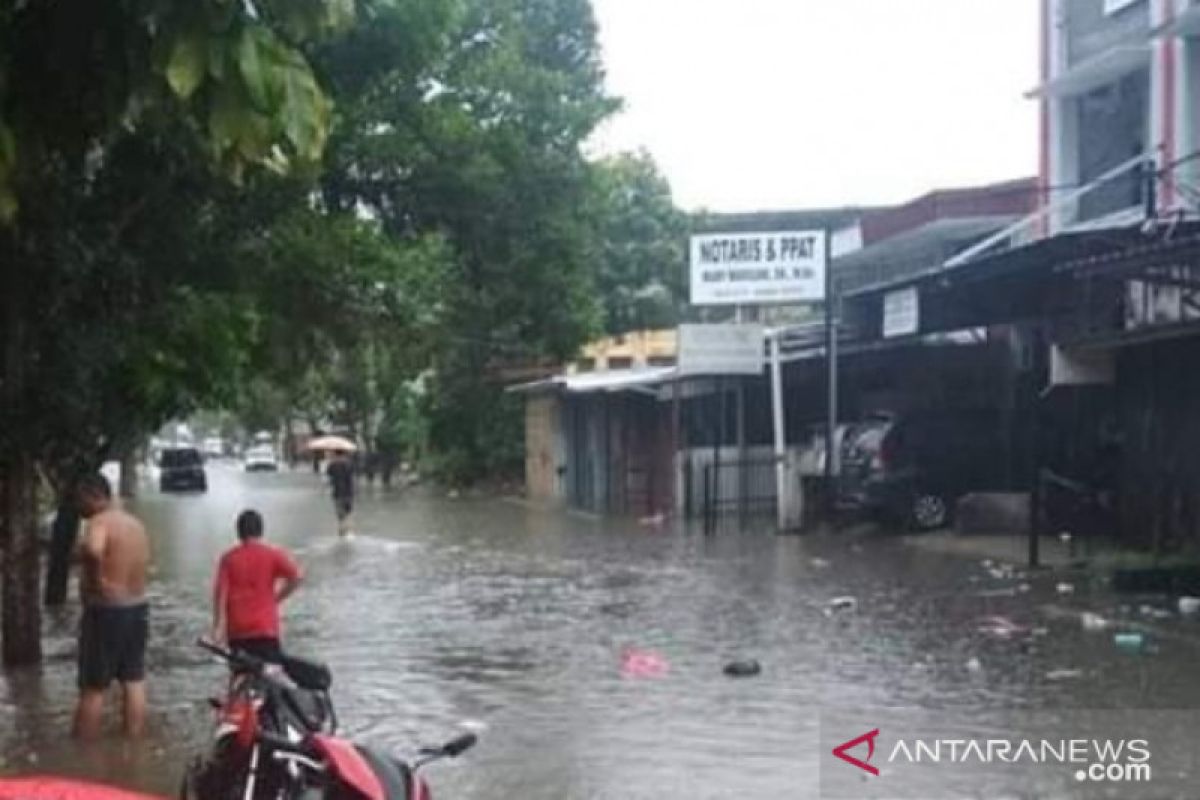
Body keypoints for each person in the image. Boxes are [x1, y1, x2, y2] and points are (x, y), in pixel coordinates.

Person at [73, 473, 151, 740]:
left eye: (80, 499)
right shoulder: (136, 525)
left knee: (93, 686)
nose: (78, 507)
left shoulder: (99, 522)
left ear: (94, 495)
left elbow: (94, 550)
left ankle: (83, 753)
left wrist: (96, 582)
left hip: (106, 610)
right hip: (138, 607)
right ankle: (133, 742)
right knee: (133, 679)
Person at [211, 510, 302, 663]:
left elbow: (220, 594)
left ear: (239, 533)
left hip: (237, 630)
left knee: (240, 675)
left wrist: (217, 627)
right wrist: (277, 598)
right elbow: (297, 577)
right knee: (269, 678)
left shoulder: (228, 559)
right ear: (261, 531)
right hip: (265, 629)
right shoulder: (272, 555)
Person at [326, 450, 355, 535]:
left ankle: (341, 530)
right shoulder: (349, 464)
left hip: (337, 492)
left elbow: (329, 475)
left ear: (335, 454)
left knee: (340, 513)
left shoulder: (332, 464)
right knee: (348, 512)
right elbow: (352, 475)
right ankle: (349, 530)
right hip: (348, 491)